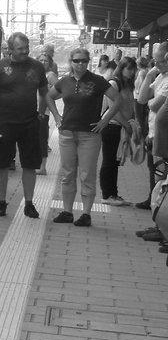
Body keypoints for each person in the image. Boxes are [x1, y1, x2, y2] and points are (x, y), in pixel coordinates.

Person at [48, 48, 120, 227]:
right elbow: (49, 97)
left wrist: (104, 121)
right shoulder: (64, 81)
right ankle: (67, 211)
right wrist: (57, 116)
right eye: (77, 61)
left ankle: (86, 214)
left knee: (87, 174)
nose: (80, 64)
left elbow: (117, 100)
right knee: (67, 174)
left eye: (84, 61)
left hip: (90, 135)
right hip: (67, 133)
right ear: (71, 61)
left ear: (88, 62)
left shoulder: (97, 81)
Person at [0, 31, 48, 218]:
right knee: (1, 164)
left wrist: (41, 113)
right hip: (3, 124)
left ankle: (29, 203)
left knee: (29, 164)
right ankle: (1, 202)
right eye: (20, 48)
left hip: (29, 123)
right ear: (10, 50)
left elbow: (44, 92)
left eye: (27, 47)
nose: (25, 51)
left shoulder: (37, 67)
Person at [99, 56, 140, 205]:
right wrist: (127, 125)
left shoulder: (129, 85)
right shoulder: (113, 84)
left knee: (115, 162)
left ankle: (113, 194)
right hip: (111, 126)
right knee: (109, 160)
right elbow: (113, 110)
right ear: (121, 68)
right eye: (128, 68)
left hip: (121, 127)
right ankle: (106, 195)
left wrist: (132, 123)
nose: (131, 72)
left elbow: (131, 106)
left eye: (133, 69)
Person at [135, 43, 168, 216]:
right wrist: (148, 75)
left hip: (163, 136)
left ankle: (159, 211)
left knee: (161, 175)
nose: (157, 64)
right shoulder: (160, 76)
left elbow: (155, 106)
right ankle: (153, 202)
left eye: (161, 61)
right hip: (154, 132)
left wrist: (150, 104)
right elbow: (141, 99)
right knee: (153, 171)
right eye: (155, 60)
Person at [35, 46, 60, 175]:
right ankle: (36, 164)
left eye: (45, 61)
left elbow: (60, 92)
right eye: (40, 60)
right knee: (33, 140)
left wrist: (50, 95)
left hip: (42, 113)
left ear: (50, 63)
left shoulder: (50, 75)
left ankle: (43, 167)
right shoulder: (34, 74)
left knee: (41, 140)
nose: (43, 62)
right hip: (31, 112)